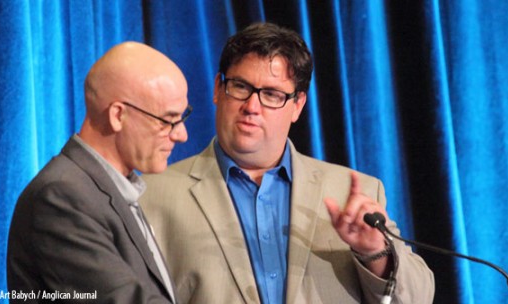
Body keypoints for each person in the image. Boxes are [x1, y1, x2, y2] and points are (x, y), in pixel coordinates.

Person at [140, 23, 435, 304]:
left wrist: (376, 254)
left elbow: (418, 298)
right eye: (240, 86)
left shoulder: (354, 193)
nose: (251, 107)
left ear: (297, 105)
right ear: (218, 88)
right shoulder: (151, 195)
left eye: (271, 95)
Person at [7, 41, 192, 303]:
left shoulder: (108, 190)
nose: (181, 134)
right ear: (118, 115)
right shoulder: (62, 196)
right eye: (167, 120)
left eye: (182, 118)